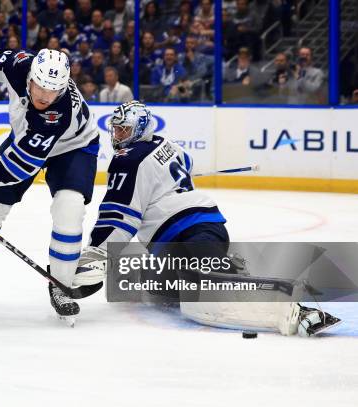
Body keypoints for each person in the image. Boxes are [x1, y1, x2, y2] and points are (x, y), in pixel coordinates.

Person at [76, 101, 340, 337]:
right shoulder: (165, 143)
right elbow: (187, 163)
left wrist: (97, 251)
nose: (118, 135)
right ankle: (227, 267)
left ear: (140, 129)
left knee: (212, 284)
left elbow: (118, 215)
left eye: (124, 129)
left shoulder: (127, 160)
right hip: (190, 233)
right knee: (167, 291)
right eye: (117, 129)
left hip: (192, 229)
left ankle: (298, 310)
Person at [0, 48, 99, 324]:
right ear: (30, 75)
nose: (43, 96)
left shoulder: (57, 114)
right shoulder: (16, 65)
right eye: (39, 86)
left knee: (70, 208)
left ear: (63, 88)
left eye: (52, 91)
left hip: (74, 146)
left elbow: (15, 169)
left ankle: (61, 283)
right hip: (25, 137)